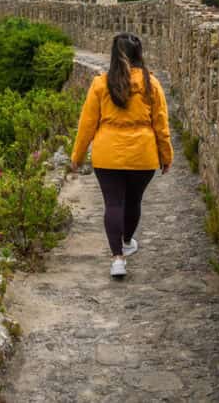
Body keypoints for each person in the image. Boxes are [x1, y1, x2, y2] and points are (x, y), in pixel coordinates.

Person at [71, 33, 173, 278]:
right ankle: (127, 241)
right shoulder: (152, 84)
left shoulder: (100, 84)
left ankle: (117, 258)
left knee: (113, 204)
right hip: (143, 154)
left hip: (107, 155)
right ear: (140, 54)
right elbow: (161, 124)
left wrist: (77, 156)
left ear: (114, 55)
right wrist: (166, 156)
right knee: (134, 201)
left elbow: (87, 125)